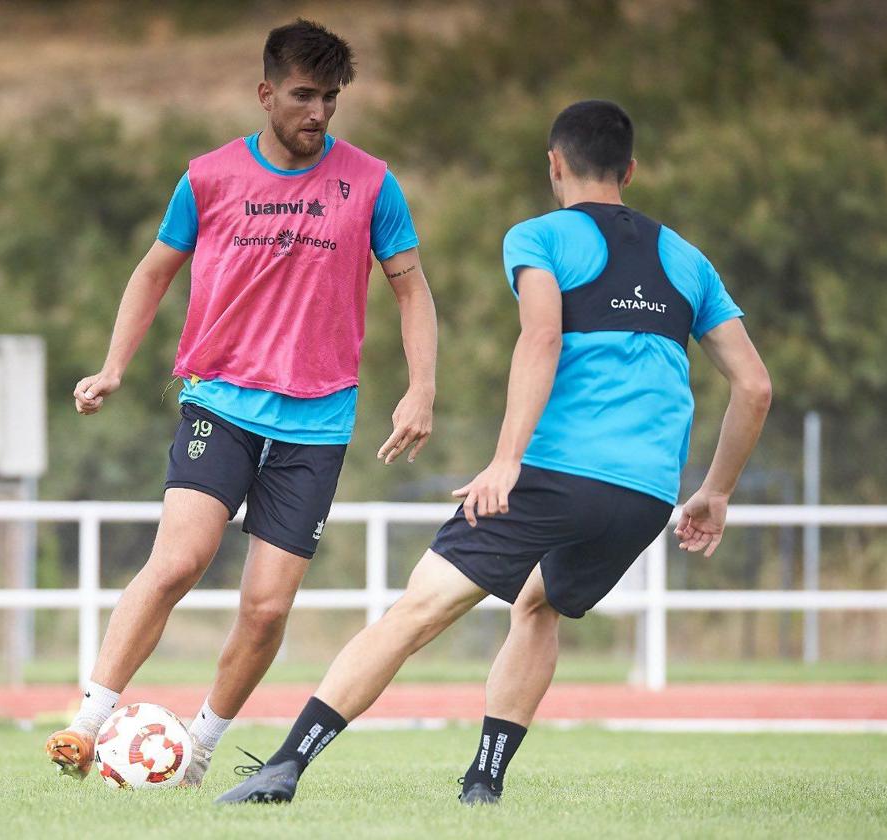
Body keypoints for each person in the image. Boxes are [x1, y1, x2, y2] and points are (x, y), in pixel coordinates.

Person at [217, 99, 771, 806]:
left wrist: (507, 459)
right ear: (630, 171)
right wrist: (714, 492)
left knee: (416, 611)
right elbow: (753, 385)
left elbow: (540, 338)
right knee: (538, 607)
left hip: (555, 473)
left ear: (555, 164)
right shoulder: (687, 260)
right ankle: (484, 781)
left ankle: (284, 767)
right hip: (645, 493)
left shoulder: (540, 237)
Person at [45, 19, 437, 787]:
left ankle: (197, 753)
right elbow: (153, 270)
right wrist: (114, 365)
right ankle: (86, 724)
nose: (317, 112)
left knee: (264, 611)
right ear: (265, 93)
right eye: (301, 95)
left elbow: (412, 288)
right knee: (179, 561)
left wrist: (421, 388)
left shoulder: (371, 184)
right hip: (220, 402)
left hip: (318, 423)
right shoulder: (209, 177)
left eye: (329, 97)